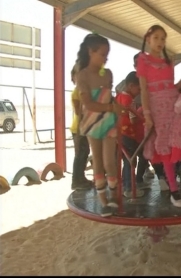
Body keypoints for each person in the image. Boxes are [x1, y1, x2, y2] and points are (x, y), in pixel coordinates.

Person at [137, 24, 181, 208]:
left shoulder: (169, 62)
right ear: (148, 39)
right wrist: (147, 114)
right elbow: (144, 89)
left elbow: (170, 88)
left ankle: (176, 180)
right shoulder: (143, 60)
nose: (160, 41)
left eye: (163, 38)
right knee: (164, 149)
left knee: (179, 139)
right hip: (156, 110)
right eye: (156, 37)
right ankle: (174, 190)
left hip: (173, 107)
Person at [76, 33, 125, 217]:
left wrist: (115, 109)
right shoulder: (83, 75)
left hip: (108, 121)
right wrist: (111, 107)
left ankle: (113, 195)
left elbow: (108, 95)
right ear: (91, 52)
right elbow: (88, 104)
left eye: (107, 55)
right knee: (97, 160)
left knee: (109, 161)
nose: (105, 58)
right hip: (91, 121)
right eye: (102, 54)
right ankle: (103, 200)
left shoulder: (108, 73)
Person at [115, 71, 147, 198]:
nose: (139, 92)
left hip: (119, 134)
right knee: (130, 162)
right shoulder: (129, 99)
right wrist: (144, 118)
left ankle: (124, 185)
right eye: (138, 88)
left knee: (126, 161)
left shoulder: (118, 97)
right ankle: (129, 188)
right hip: (128, 134)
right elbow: (133, 118)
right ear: (130, 86)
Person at [70, 64, 93, 191]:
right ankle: (76, 180)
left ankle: (81, 177)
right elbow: (79, 112)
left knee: (85, 152)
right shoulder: (76, 93)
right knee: (80, 153)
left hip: (85, 126)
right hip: (78, 128)